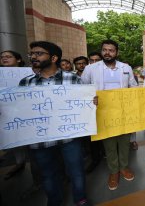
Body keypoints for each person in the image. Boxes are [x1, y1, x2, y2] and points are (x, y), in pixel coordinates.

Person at [19, 41, 91, 206]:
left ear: (53, 58)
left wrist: (92, 102)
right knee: (48, 175)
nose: (33, 57)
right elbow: (20, 111)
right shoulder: (26, 83)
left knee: (76, 172)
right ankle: (54, 201)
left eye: (39, 53)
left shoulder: (72, 79)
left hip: (69, 138)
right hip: (40, 140)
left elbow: (84, 104)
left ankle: (80, 200)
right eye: (32, 54)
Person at [81, 39, 137, 191]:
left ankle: (124, 167)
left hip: (124, 112)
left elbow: (134, 87)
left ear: (116, 52)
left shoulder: (126, 68)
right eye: (105, 50)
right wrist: (90, 98)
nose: (107, 52)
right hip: (103, 113)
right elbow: (82, 89)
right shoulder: (90, 69)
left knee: (124, 141)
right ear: (101, 51)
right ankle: (114, 171)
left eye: (111, 50)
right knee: (109, 144)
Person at [0, 50, 27, 179]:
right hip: (6, 113)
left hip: (26, 112)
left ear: (19, 60)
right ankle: (19, 163)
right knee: (14, 142)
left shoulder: (29, 73)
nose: (4, 59)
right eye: (2, 57)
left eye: (8, 57)